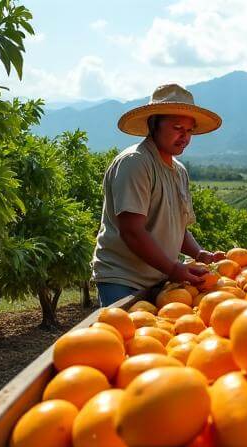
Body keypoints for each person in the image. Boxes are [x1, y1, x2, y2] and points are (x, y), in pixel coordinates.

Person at [91, 83, 225, 307]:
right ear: (154, 125)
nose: (184, 137)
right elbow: (132, 231)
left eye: (189, 130)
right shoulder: (135, 163)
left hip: (161, 277)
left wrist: (200, 254)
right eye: (177, 128)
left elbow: (176, 228)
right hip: (124, 278)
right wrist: (173, 268)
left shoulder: (179, 171)